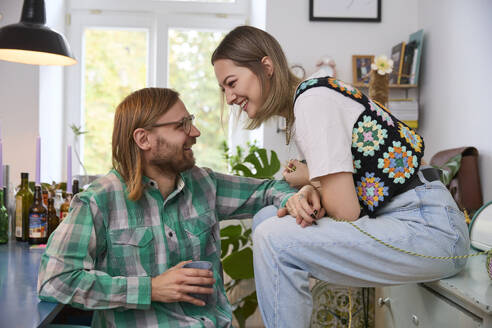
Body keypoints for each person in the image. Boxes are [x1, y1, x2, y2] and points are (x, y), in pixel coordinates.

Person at [212, 25, 470, 328]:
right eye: (223, 90)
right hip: (404, 218)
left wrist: (314, 191)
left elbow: (346, 211)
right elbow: (345, 181)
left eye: (232, 83)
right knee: (267, 218)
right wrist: (312, 189)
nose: (229, 98)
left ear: (265, 67)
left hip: (432, 229)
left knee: (273, 237)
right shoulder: (311, 97)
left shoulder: (312, 101)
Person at [37, 87, 319, 328]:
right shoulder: (99, 201)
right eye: (181, 125)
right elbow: (56, 280)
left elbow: (269, 189)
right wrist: (152, 288)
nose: (194, 132)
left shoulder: (205, 184)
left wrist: (294, 196)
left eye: (191, 121)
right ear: (143, 139)